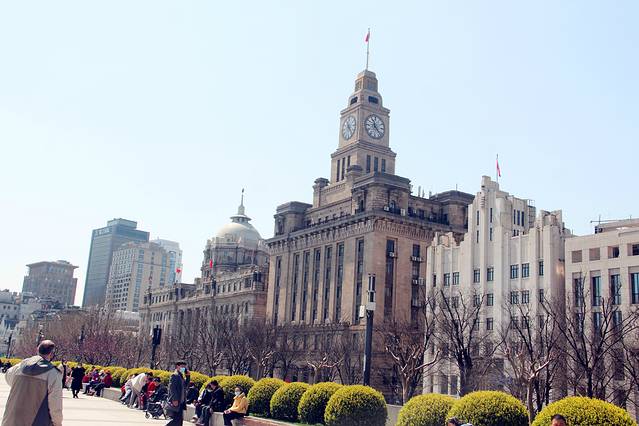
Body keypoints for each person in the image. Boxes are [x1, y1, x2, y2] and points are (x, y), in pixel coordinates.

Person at [1, 340, 63, 426]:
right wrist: (57, 423)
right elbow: (55, 404)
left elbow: (8, 377)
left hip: (11, 419)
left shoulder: (20, 366)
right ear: (51, 354)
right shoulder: (53, 373)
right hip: (36, 420)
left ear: (37, 350)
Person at [166, 360, 190, 426]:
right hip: (176, 401)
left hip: (181, 401)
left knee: (180, 420)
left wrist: (188, 376)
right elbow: (172, 388)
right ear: (177, 366)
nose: (183, 368)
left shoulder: (181, 376)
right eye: (182, 366)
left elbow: (185, 386)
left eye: (184, 367)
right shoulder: (175, 375)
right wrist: (175, 399)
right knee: (176, 420)